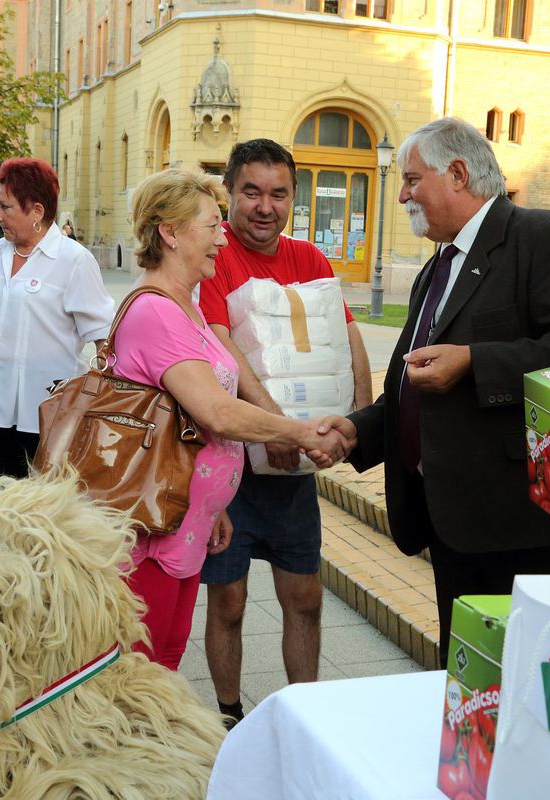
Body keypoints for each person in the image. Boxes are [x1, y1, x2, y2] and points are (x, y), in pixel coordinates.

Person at [328, 117, 550, 667]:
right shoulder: (436, 267)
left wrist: (475, 362)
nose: (404, 193)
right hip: (453, 521)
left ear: (457, 173)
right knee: (471, 685)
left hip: (525, 524)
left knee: (538, 685)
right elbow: (414, 383)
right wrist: (360, 430)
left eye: (412, 179)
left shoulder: (544, 236)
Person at [115, 168, 347, 674]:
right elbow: (216, 411)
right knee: (143, 668)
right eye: (211, 225)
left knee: (167, 653)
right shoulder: (157, 311)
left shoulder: (185, 305)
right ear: (169, 233)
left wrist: (210, 504)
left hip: (182, 516)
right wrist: (301, 432)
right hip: (153, 524)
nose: (224, 238)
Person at [197, 138, 372, 725]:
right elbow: (221, 344)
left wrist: (360, 419)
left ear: (292, 197)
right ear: (229, 193)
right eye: (251, 191)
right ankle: (229, 717)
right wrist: (275, 423)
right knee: (229, 599)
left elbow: (346, 340)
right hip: (227, 467)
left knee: (305, 598)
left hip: (292, 471)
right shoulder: (212, 257)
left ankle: (306, 717)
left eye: (277, 193)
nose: (264, 206)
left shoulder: (312, 261)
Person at [0, 158, 113, 492]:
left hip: (43, 418)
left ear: (37, 211)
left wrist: (94, 405)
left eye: (5, 207)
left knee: (34, 516)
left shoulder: (74, 261)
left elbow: (103, 342)